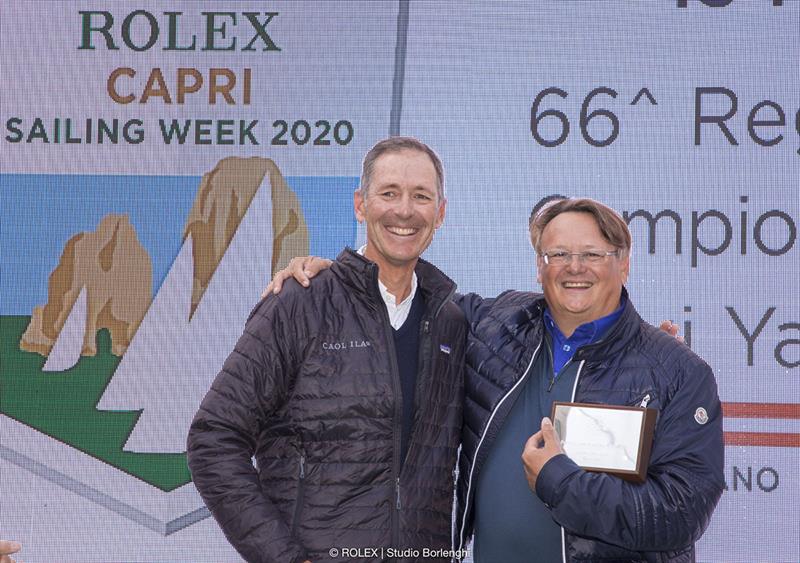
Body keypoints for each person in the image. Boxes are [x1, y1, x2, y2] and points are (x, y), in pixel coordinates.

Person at [267, 197, 723, 562]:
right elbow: (406, 303)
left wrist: (561, 483)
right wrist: (340, 279)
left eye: (593, 254)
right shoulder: (492, 326)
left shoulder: (676, 371)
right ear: (539, 266)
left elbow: (682, 513)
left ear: (623, 265)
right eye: (558, 254)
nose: (574, 267)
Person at [187, 137, 468, 563]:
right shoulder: (300, 302)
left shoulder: (452, 323)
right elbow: (214, 438)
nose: (405, 211)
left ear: (440, 213)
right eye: (389, 193)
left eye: (421, 196)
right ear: (360, 205)